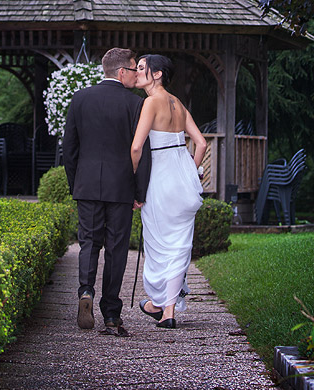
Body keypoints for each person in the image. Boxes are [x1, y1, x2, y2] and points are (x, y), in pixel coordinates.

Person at [62, 47, 150, 336]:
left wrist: (76, 185)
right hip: (121, 186)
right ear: (121, 72)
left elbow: (69, 149)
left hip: (87, 185)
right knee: (116, 248)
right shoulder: (135, 104)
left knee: (88, 242)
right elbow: (142, 152)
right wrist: (140, 191)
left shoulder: (80, 98)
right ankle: (111, 314)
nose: (138, 72)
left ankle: (85, 291)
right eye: (135, 68)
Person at [131, 53, 207, 329]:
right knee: (179, 246)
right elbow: (201, 144)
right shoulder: (178, 103)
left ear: (157, 73)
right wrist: (190, 172)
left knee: (159, 246)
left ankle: (161, 304)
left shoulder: (150, 102)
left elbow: (137, 147)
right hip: (183, 179)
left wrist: (131, 184)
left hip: (160, 179)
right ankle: (167, 310)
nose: (136, 72)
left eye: (141, 68)